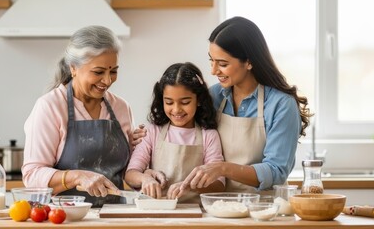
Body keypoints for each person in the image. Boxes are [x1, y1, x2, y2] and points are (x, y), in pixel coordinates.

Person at [179, 16, 313, 195]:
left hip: (265, 212)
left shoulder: (281, 105)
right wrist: (144, 137)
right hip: (216, 206)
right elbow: (182, 130)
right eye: (211, 60)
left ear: (249, 62)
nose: (213, 71)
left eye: (223, 64)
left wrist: (222, 169)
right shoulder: (213, 96)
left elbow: (276, 171)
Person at [22, 25, 146, 207]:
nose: (107, 80)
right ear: (73, 68)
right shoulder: (50, 106)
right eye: (98, 72)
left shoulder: (121, 107)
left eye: (113, 71)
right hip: (64, 218)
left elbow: (128, 171)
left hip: (113, 217)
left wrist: (144, 168)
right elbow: (32, 175)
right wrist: (77, 176)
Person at [125, 62, 225, 202]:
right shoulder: (153, 131)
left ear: (199, 100)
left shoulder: (208, 135)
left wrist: (189, 186)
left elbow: (219, 185)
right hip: (157, 212)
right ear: (162, 100)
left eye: (185, 102)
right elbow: (130, 174)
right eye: (169, 102)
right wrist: (145, 179)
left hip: (195, 214)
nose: (176, 110)